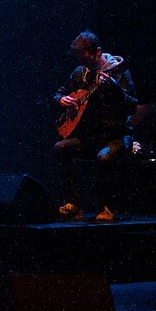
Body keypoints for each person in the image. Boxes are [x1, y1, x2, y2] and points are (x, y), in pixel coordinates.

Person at [53, 31, 137, 222]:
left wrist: (115, 88)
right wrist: (61, 100)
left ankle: (109, 207)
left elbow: (132, 105)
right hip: (90, 137)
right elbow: (57, 94)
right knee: (61, 148)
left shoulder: (119, 71)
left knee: (104, 157)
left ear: (97, 52)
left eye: (85, 58)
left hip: (117, 136)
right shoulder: (80, 73)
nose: (82, 63)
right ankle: (73, 204)